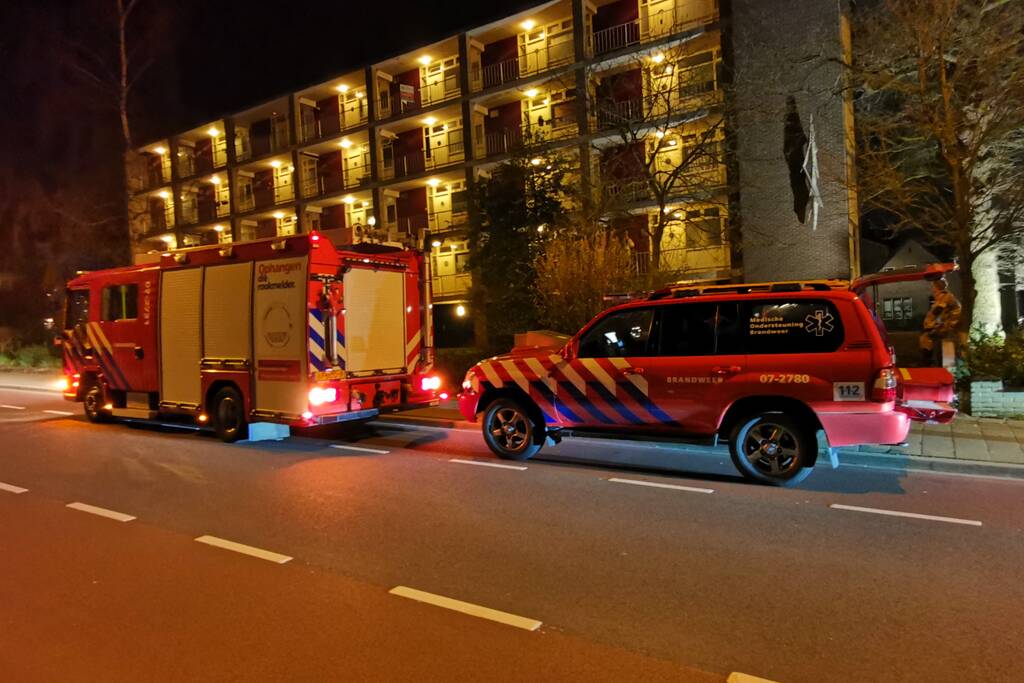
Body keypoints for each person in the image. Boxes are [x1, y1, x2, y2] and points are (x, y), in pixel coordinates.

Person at [919, 278, 961, 366]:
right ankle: (938, 365)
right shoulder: (944, 296)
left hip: (949, 327)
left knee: (928, 339)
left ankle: (928, 364)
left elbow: (936, 311)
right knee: (931, 341)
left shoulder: (944, 297)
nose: (931, 288)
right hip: (948, 326)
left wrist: (929, 326)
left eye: (933, 286)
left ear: (937, 287)